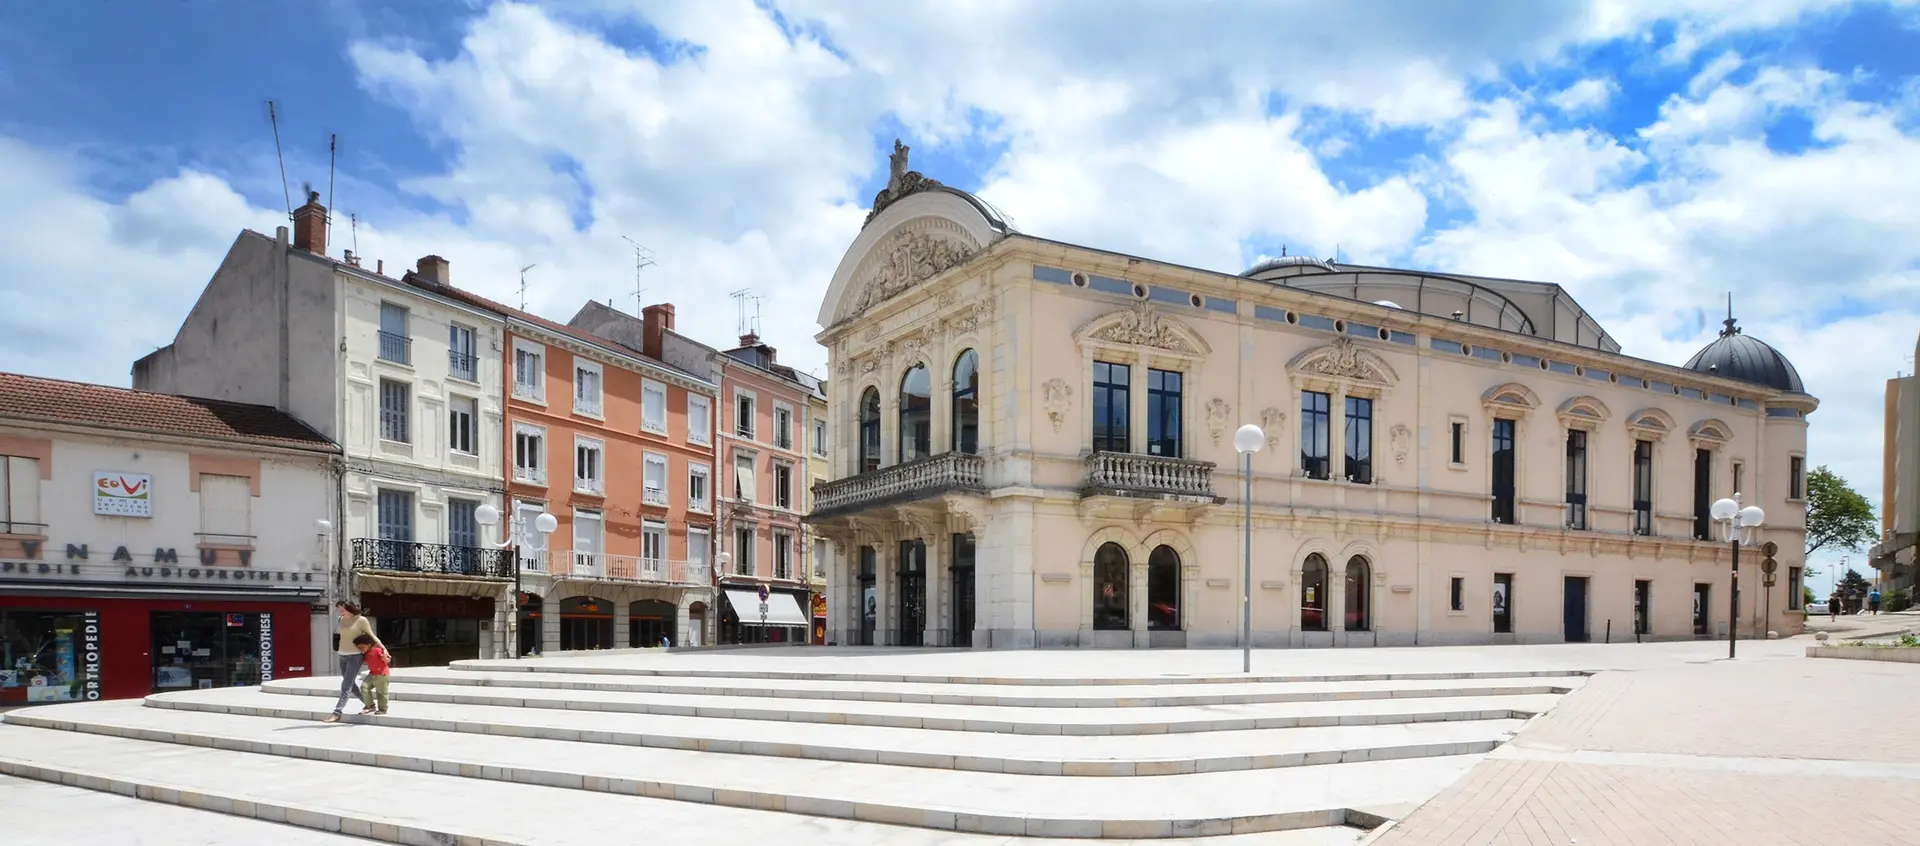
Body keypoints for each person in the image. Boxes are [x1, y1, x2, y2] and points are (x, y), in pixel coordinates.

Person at [325, 601, 383, 723]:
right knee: (351, 685)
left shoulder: (361, 620)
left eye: (343, 609)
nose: (340, 612)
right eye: (339, 609)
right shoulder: (340, 620)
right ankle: (370, 704)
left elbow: (372, 636)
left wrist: (384, 649)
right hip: (342, 655)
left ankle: (337, 713)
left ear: (350, 609)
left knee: (346, 686)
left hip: (355, 656)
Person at [354, 634, 392, 715]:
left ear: (369, 644)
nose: (361, 649)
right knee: (364, 687)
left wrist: (385, 659)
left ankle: (383, 709)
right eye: (359, 647)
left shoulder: (377, 650)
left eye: (363, 646)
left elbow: (388, 659)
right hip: (372, 674)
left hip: (382, 674)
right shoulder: (365, 654)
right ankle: (370, 705)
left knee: (381, 692)